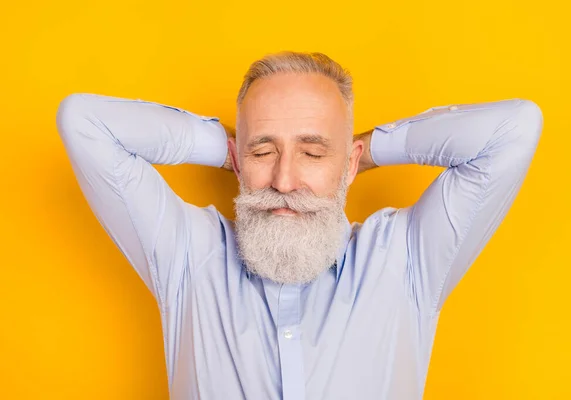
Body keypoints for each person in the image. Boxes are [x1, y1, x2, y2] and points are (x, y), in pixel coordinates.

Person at [55, 51, 543, 400]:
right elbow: (83, 121)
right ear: (237, 160)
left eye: (312, 153)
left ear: (347, 164)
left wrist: (368, 150)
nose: (285, 180)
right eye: (264, 152)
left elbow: (515, 129)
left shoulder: (405, 257)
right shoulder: (188, 256)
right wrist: (228, 147)